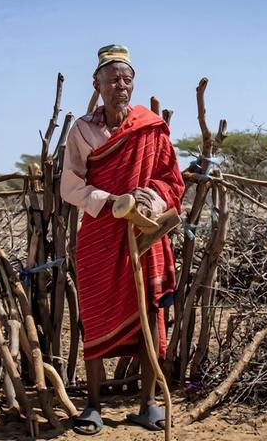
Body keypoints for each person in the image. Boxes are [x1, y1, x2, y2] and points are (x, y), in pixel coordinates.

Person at [60, 44, 184, 435]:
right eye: (113, 79)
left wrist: (154, 195)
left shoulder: (150, 127)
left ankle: (147, 404)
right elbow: (70, 185)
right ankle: (93, 406)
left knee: (150, 314)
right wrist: (110, 200)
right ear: (97, 83)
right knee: (95, 317)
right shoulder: (82, 130)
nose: (121, 86)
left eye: (127, 79)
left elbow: (172, 179)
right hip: (100, 233)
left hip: (145, 234)